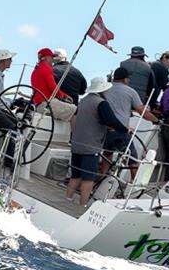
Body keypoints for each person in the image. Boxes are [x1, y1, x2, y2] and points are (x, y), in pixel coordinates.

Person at [66, 77, 131, 207]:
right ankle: (82, 205)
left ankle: (67, 198)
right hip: (91, 146)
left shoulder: (83, 101)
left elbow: (76, 118)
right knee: (88, 178)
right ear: (103, 90)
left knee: (76, 175)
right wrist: (125, 129)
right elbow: (111, 120)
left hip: (77, 144)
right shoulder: (101, 103)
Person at [99, 67, 159, 178]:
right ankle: (132, 184)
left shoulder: (105, 89)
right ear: (125, 79)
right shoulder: (130, 92)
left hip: (105, 129)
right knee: (132, 157)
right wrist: (156, 120)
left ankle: (102, 177)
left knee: (107, 154)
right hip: (121, 130)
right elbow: (142, 112)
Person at [30, 47, 77, 124]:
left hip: (37, 104)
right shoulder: (46, 68)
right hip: (46, 104)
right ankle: (73, 136)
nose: (53, 59)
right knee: (74, 109)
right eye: (51, 57)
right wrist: (65, 96)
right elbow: (53, 88)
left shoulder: (35, 70)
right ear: (45, 58)